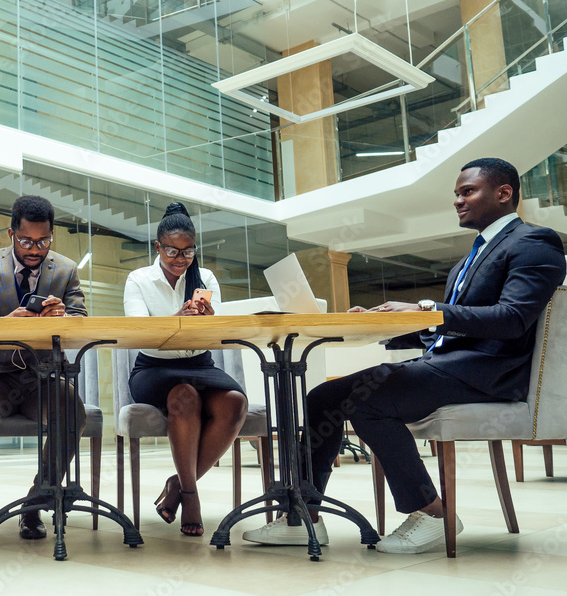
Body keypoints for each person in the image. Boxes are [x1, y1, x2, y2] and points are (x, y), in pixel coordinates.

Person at [243, 158, 566, 554]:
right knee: (323, 398)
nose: (458, 201)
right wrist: (384, 323)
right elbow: (457, 324)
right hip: (448, 366)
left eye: (468, 192)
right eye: (457, 194)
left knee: (367, 400)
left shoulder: (534, 242)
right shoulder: (473, 256)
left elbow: (513, 319)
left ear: (504, 193)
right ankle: (302, 516)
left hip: (489, 374)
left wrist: (428, 309)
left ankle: (432, 513)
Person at [0, 195, 87, 543]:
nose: (36, 249)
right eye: (27, 241)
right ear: (12, 234)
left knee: (73, 410)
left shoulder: (66, 269)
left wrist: (64, 318)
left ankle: (35, 501)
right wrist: (6, 323)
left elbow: (82, 322)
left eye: (44, 241)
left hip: (41, 377)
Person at [122, 202, 248, 536]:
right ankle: (191, 497)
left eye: (188, 251)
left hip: (198, 364)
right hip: (154, 367)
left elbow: (218, 336)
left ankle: (176, 485)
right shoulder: (138, 280)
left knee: (235, 401)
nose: (180, 259)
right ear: (157, 247)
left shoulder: (205, 277)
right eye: (172, 251)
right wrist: (177, 319)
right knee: (185, 397)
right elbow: (139, 335)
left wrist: (207, 323)